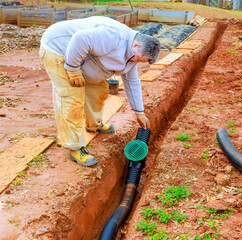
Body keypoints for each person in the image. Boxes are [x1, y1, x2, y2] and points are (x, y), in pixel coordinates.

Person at [39, 16, 160, 167]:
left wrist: (139, 111)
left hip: (82, 56)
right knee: (72, 98)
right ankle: (75, 147)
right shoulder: (114, 38)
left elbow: (132, 81)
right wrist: (73, 69)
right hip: (59, 49)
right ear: (136, 45)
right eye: (138, 59)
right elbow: (80, 39)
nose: (136, 63)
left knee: (98, 88)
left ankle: (93, 124)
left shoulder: (133, 53)